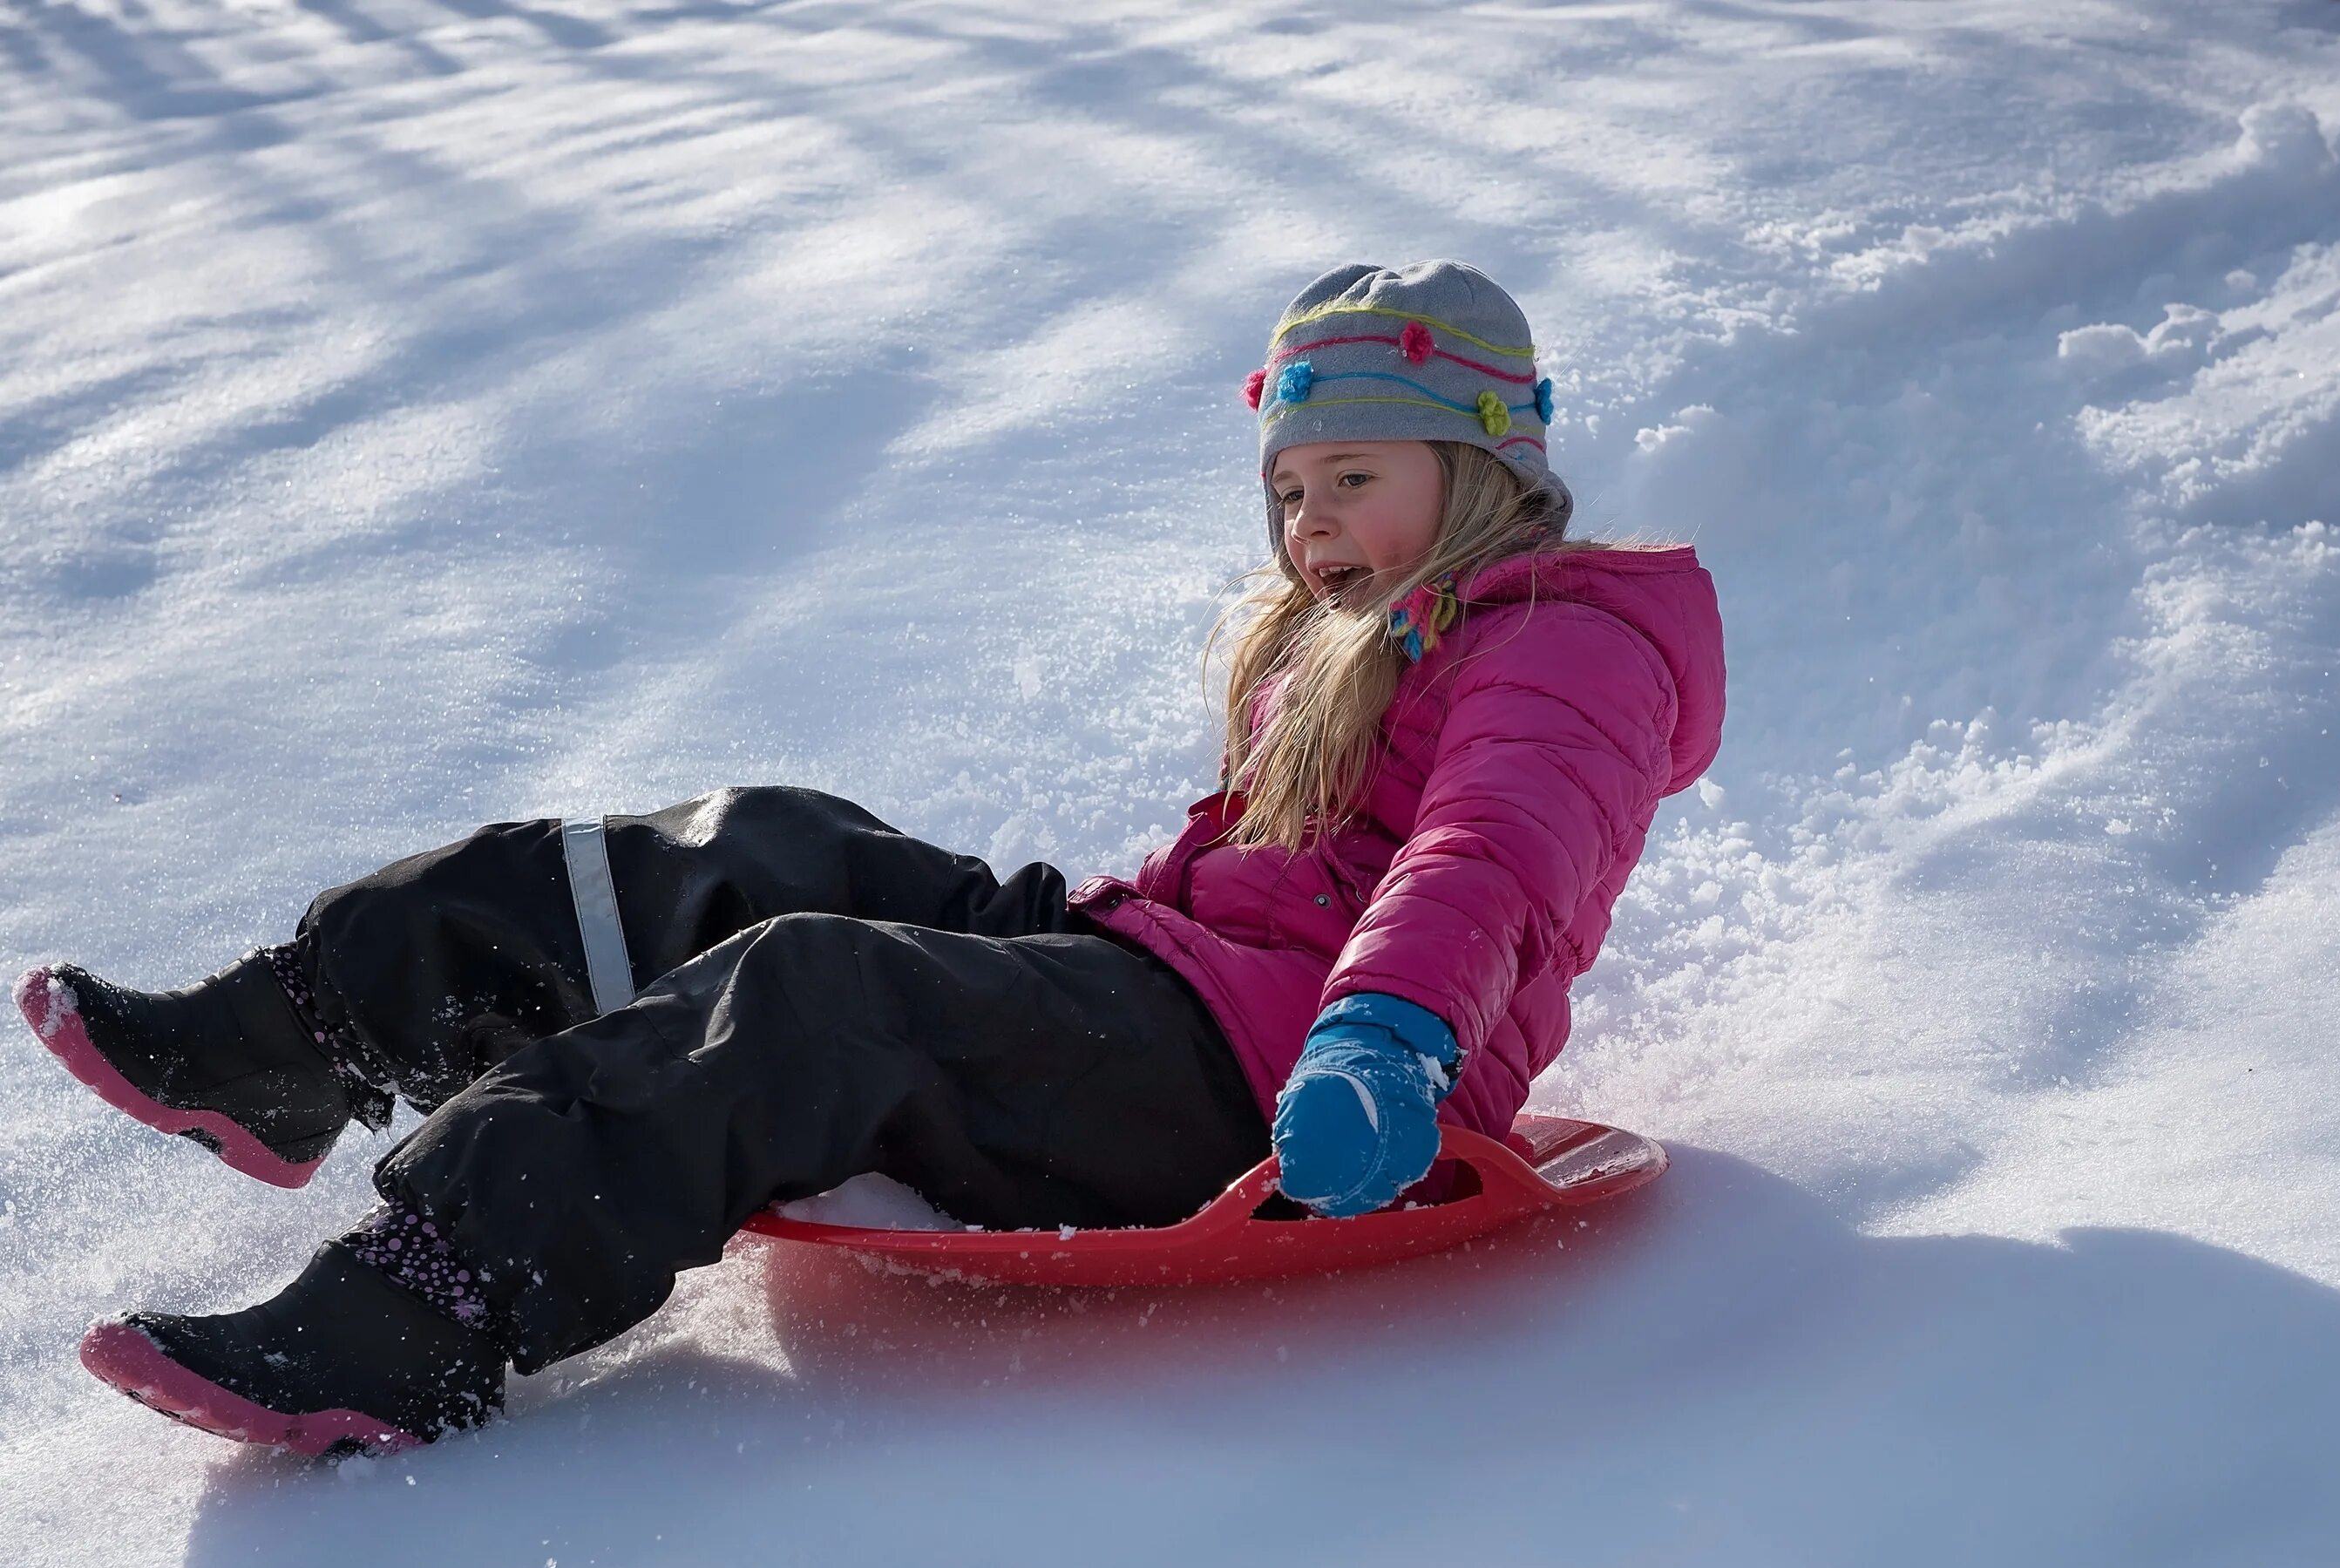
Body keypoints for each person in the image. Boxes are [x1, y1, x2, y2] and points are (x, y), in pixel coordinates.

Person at [21, 260, 1726, 1456]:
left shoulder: (1567, 641)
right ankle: (300, 1038)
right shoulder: (1356, 634)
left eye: (1352, 477)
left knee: (815, 989)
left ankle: (415, 1317)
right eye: (1289, 489)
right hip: (1172, 983)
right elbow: (1254, 868)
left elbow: (1486, 859)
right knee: (774, 848)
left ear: (1488, 463)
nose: (1308, 527)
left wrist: (1386, 1042)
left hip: (1291, 1077)